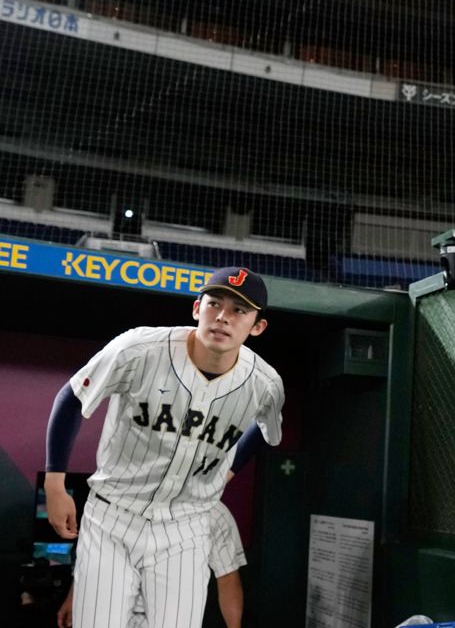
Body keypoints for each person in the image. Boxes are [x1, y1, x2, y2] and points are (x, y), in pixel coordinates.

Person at [43, 266, 283, 628]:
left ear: (257, 326)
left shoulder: (265, 384)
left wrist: (228, 471)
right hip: (112, 516)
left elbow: (267, 431)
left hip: (186, 527)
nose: (222, 317)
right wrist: (54, 482)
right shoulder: (139, 348)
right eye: (215, 304)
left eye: (239, 310)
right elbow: (73, 396)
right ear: (196, 308)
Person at [56, 500, 248, 628]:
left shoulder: (214, 512)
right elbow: (97, 558)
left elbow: (227, 577)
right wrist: (74, 597)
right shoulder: (116, 497)